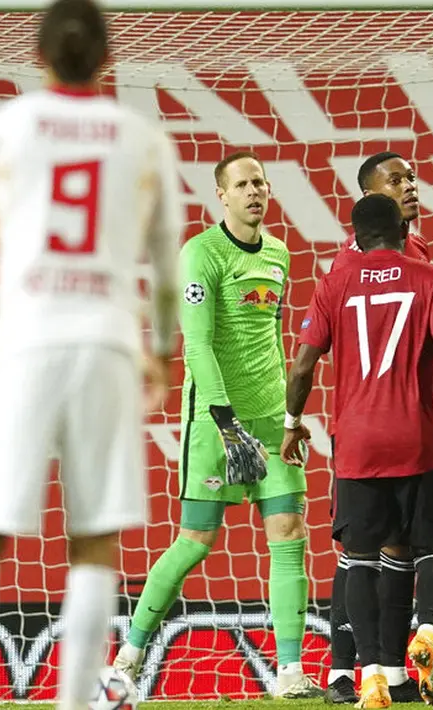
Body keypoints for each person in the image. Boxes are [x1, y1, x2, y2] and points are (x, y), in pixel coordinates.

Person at [0, 2, 182, 710]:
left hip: (25, 342)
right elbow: (164, 265)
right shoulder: (143, 139)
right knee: (94, 536)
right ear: (108, 58)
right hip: (105, 343)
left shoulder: (0, 129)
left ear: (35, 54)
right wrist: (159, 346)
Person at [111, 151, 322, 699]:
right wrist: (227, 422)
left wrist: (290, 418)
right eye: (242, 184)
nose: (254, 191)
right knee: (196, 541)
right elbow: (198, 346)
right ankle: (130, 656)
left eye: (260, 183)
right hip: (215, 422)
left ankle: (291, 671)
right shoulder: (200, 254)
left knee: (290, 534)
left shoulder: (278, 254)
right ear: (221, 196)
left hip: (271, 421)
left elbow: (273, 340)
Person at [281, 193, 433, 708]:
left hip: (355, 441)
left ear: (356, 236)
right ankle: (423, 636)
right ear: (402, 229)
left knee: (358, 559)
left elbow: (304, 364)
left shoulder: (334, 283)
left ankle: (377, 673)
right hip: (415, 440)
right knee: (423, 551)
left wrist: (291, 424)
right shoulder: (431, 277)